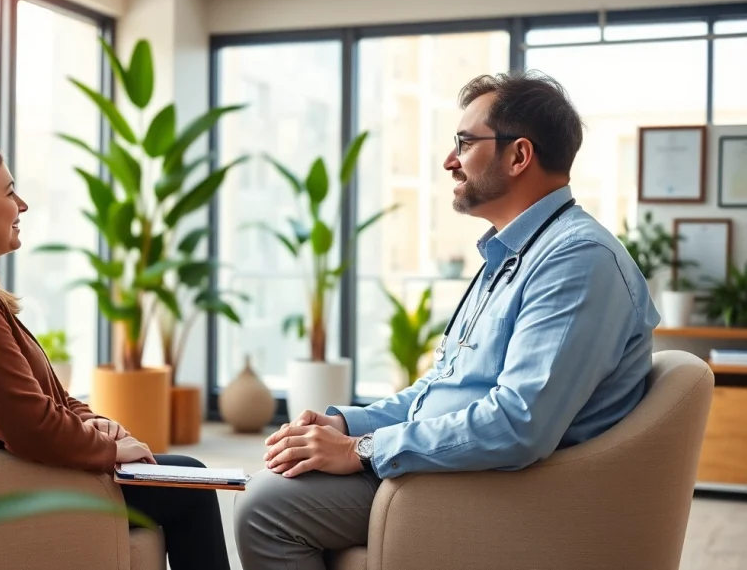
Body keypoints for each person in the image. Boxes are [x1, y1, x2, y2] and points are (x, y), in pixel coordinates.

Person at [233, 71, 660, 569]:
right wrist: (346, 423)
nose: (449, 161)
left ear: (519, 155)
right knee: (274, 480)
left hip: (508, 489)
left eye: (465, 143)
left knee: (266, 507)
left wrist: (361, 448)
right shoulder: (512, 254)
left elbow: (519, 424)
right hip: (462, 469)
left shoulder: (576, 260)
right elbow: (442, 388)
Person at [0, 143, 229, 570]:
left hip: (4, 478)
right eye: (9, 192)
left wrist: (95, 423)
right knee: (190, 481)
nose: (22, 204)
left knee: (183, 474)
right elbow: (30, 427)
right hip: (8, 490)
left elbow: (40, 396)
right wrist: (108, 451)